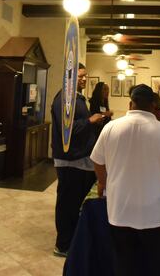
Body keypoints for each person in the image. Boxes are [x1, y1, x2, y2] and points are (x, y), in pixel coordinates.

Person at [91, 84, 160, 276]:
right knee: (156, 265)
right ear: (153, 105)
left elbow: (98, 162)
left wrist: (103, 182)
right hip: (155, 212)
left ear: (130, 103)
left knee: (123, 264)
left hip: (120, 210)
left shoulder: (111, 128)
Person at [51, 63, 105, 257]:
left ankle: (73, 240)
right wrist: (90, 121)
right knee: (67, 204)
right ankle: (63, 245)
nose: (83, 79)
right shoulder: (63, 99)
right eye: (79, 76)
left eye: (84, 76)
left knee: (76, 204)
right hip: (70, 160)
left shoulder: (77, 99)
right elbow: (68, 130)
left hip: (81, 159)